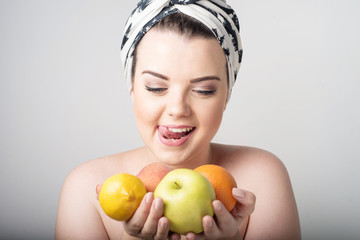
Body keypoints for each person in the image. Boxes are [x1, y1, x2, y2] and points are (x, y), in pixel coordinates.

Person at [55, 0, 301, 239]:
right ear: (131, 88)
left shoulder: (262, 178)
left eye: (204, 90)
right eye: (155, 87)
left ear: (227, 95)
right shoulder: (85, 189)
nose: (177, 109)